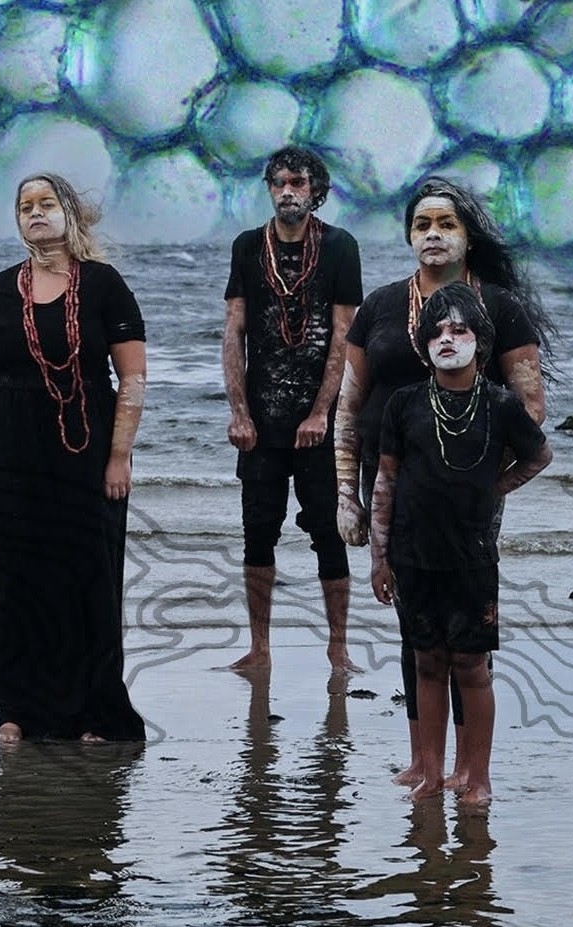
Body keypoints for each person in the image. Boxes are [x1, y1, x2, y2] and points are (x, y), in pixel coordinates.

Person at [333, 175, 551, 789]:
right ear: (408, 236)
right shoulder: (379, 305)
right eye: (422, 226)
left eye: (447, 224)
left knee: (466, 637)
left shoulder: (499, 308)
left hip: (468, 490)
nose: (433, 235)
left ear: (467, 236)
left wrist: (489, 486)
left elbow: (530, 409)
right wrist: (345, 493)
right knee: (416, 629)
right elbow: (349, 408)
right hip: (393, 486)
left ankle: (469, 768)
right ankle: (423, 760)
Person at [0, 173, 149, 744]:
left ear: (72, 215)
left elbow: (132, 377)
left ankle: (94, 713)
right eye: (25, 207)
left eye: (47, 204)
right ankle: (17, 709)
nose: (35, 214)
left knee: (87, 578)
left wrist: (120, 456)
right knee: (16, 582)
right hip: (8, 455)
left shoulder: (105, 285)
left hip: (86, 456)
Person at [368, 282, 552, 806]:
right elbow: (384, 484)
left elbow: (539, 458)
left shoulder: (499, 405)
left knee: (471, 664)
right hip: (413, 555)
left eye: (459, 330)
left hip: (471, 557)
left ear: (481, 341)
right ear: (423, 344)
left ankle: (478, 775)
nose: (447, 340)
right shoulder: (404, 405)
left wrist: (495, 486)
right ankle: (430, 770)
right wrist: (380, 557)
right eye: (437, 332)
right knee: (427, 661)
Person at [219, 147, 364, 674]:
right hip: (261, 421)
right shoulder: (246, 247)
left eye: (298, 182)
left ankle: (339, 647)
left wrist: (322, 413)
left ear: (315, 190)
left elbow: (345, 336)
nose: (287, 191)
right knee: (257, 532)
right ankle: (259, 647)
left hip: (317, 424)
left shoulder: (341, 248)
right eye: (278, 182)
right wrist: (239, 412)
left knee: (328, 530)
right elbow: (234, 330)